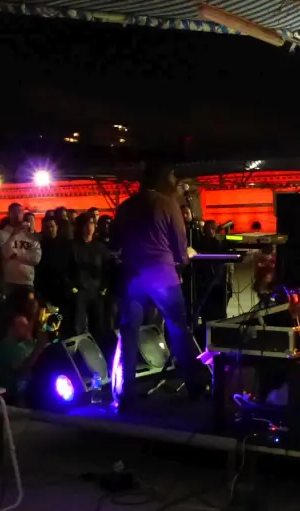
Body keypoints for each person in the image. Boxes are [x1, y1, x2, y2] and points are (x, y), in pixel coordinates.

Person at [112, 165, 202, 409]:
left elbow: (115, 244)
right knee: (178, 328)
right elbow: (180, 250)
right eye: (172, 176)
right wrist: (184, 259)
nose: (175, 180)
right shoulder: (168, 204)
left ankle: (125, 393)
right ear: (162, 180)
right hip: (162, 274)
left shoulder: (126, 206)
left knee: (129, 331)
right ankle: (195, 385)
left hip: (133, 276)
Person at [0, 293, 52, 399]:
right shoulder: (8, 347)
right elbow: (25, 370)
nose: (26, 328)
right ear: (10, 328)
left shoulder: (20, 344)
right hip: (11, 397)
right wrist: (39, 347)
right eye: (22, 326)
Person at [70, 212, 109, 341]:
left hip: (96, 291)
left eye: (91, 223)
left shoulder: (100, 247)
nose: (89, 227)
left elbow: (106, 269)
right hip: (80, 290)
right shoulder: (73, 247)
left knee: (98, 327)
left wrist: (103, 288)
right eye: (86, 224)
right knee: (79, 327)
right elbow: (67, 269)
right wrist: (73, 289)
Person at [0, 203, 42, 296]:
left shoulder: (31, 237)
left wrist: (15, 255)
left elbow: (35, 259)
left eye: (20, 211)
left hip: (27, 282)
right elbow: (5, 253)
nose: (17, 214)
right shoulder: (2, 233)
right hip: (9, 282)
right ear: (8, 214)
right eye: (14, 212)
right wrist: (13, 235)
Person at [37, 217, 75, 318]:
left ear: (57, 227)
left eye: (52, 226)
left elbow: (72, 264)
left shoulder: (66, 244)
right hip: (46, 287)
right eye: (47, 227)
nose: (50, 229)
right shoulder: (39, 245)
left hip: (63, 287)